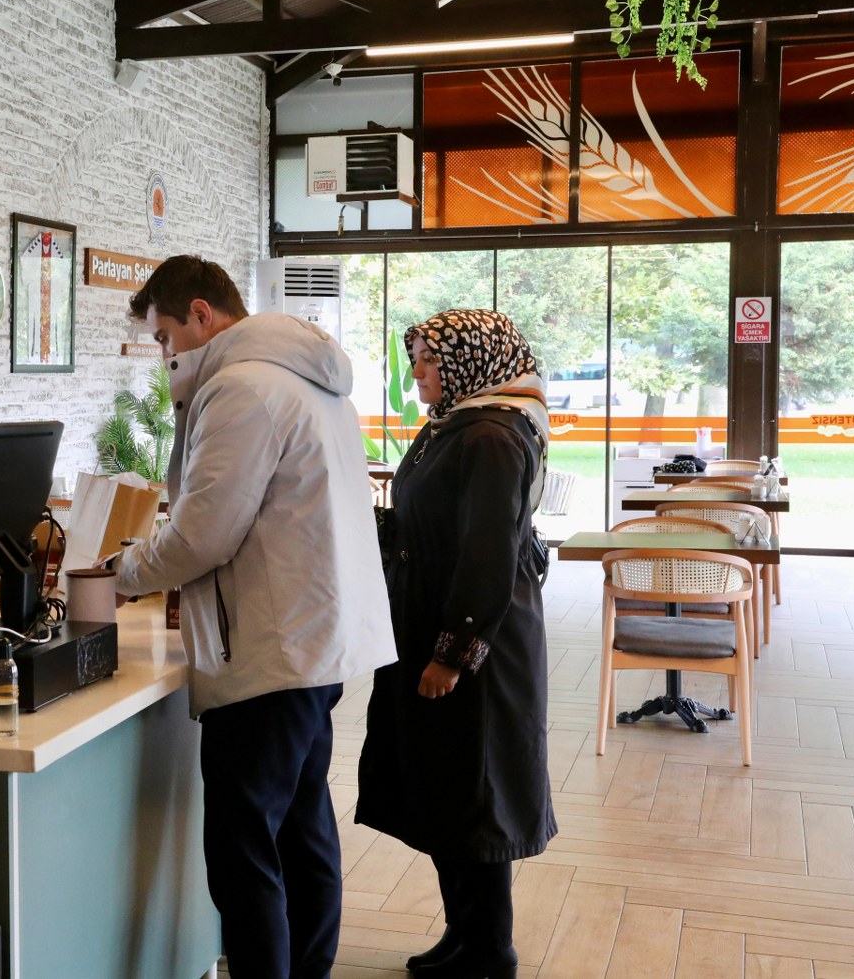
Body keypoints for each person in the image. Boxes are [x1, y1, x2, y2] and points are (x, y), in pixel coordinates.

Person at [110, 254, 395, 979]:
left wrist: (125, 572)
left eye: (165, 336)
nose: (165, 354)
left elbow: (204, 534)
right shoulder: (307, 376)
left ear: (202, 314)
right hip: (314, 637)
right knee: (301, 829)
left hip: (268, 649)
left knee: (245, 852)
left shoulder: (241, 387)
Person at [355, 309, 557, 979]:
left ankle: (490, 952)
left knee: (474, 798)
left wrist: (452, 653)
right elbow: (431, 519)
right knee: (446, 788)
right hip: (431, 620)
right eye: (415, 357)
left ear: (472, 361)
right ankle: (465, 934)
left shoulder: (493, 434)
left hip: (476, 648)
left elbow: (486, 555)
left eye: (429, 359)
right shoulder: (456, 423)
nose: (417, 371)